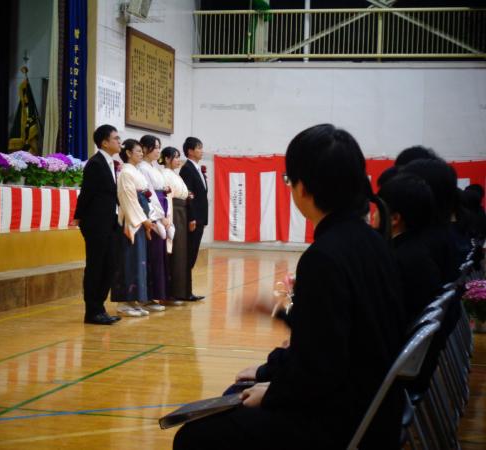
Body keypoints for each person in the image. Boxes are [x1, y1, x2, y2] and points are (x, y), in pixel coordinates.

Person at [174, 124, 407, 450]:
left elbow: (320, 369)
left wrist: (273, 389)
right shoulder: (374, 242)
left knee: (193, 436)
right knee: (234, 398)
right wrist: (275, 325)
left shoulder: (325, 256)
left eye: (289, 180)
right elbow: (335, 337)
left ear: (303, 187)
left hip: (342, 420)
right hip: (375, 409)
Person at [73, 125, 122, 325]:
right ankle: (92, 311)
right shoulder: (95, 164)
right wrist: (78, 216)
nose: (119, 141)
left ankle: (100, 307)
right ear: (104, 142)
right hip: (96, 224)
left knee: (110, 266)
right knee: (96, 267)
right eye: (116, 138)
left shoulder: (110, 163)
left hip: (110, 222)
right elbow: (86, 192)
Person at [377, 173, 442, 323]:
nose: (373, 215)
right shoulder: (418, 249)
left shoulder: (396, 259)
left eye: (378, 209)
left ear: (394, 219)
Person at [111, 139, 155, 317]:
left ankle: (134, 300)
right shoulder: (125, 173)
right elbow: (128, 199)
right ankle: (123, 302)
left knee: (138, 261)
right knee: (128, 260)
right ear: (128, 153)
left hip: (141, 219)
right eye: (138, 151)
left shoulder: (136, 172)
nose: (141, 154)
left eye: (141, 151)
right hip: (132, 222)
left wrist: (148, 218)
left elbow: (145, 198)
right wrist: (143, 220)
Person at [138, 135, 169, 312]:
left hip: (161, 210)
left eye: (159, 147)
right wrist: (159, 216)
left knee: (158, 257)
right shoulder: (142, 168)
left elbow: (162, 193)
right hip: (153, 214)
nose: (158, 151)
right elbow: (150, 196)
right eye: (155, 147)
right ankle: (147, 297)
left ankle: (155, 295)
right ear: (144, 148)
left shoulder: (154, 168)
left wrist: (167, 215)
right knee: (152, 256)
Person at [179, 137, 208, 301]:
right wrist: (191, 218)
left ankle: (187, 290)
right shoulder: (187, 169)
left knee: (193, 254)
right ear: (190, 151)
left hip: (200, 219)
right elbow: (188, 196)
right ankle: (184, 291)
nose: (202, 151)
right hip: (193, 220)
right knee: (189, 254)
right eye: (199, 148)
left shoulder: (197, 169)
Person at [160, 147, 190, 304]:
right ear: (166, 159)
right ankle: (170, 293)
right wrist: (168, 219)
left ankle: (178, 292)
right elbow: (167, 198)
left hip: (181, 212)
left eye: (179, 157)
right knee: (174, 252)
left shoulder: (175, 175)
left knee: (180, 253)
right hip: (173, 213)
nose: (178, 160)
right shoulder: (165, 174)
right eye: (175, 157)